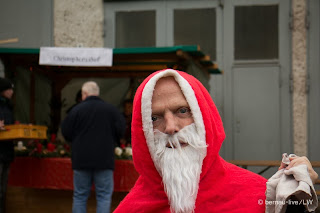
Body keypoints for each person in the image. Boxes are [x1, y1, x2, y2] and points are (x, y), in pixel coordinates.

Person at [114, 69, 318, 213]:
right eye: (154, 118)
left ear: (205, 117)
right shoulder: (132, 207)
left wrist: (294, 203)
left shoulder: (261, 197)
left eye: (183, 111)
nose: (170, 127)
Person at [61, 81, 126, 213]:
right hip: (104, 159)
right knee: (103, 197)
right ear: (97, 93)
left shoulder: (76, 110)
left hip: (81, 159)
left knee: (80, 196)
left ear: (85, 93)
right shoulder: (111, 110)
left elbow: (66, 132)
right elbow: (121, 130)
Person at [0, 77, 15, 213]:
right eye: (9, 89)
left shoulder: (9, 106)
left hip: (7, 152)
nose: (12, 92)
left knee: (3, 190)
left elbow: (10, 127)